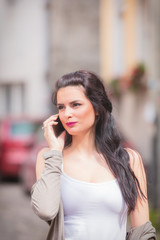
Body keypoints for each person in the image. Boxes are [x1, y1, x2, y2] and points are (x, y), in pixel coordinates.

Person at [31, 70, 156, 240]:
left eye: (75, 104)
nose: (67, 114)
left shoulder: (129, 160)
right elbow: (45, 210)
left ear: (97, 108)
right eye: (61, 107)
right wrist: (54, 151)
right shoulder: (49, 157)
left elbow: (143, 232)